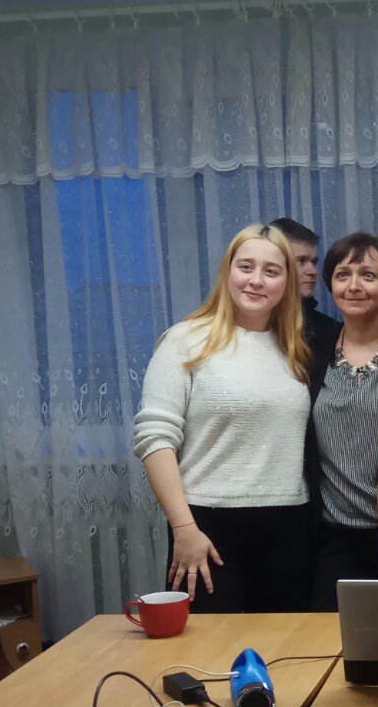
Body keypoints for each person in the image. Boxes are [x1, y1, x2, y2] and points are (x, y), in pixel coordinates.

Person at [133, 224, 312, 612]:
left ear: (287, 281)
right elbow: (155, 439)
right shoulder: (184, 340)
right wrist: (184, 528)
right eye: (246, 267)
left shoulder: (295, 348)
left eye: (271, 271)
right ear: (227, 271)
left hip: (289, 525)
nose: (256, 280)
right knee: (208, 644)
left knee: (286, 642)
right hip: (206, 527)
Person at [308, 232, 378, 609]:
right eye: (342, 275)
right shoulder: (311, 349)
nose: (354, 286)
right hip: (332, 537)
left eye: (368, 275)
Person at [269, 216, 340, 350]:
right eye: (301, 261)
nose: (313, 271)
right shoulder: (255, 326)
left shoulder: (330, 331)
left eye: (314, 262)